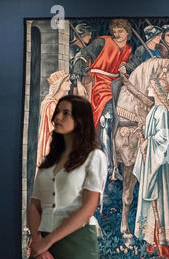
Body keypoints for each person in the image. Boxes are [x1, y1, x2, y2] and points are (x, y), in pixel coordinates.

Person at [23, 95, 107, 259]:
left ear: (80, 120)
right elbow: (35, 205)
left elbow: (88, 208)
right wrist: (38, 241)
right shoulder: (48, 162)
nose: (57, 117)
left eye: (65, 113)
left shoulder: (94, 157)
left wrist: (47, 241)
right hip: (43, 243)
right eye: (57, 112)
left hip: (76, 243)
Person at [72, 19, 133, 180]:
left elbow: (132, 69)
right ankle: (109, 166)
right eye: (115, 30)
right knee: (107, 119)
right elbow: (81, 57)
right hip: (98, 84)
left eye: (121, 31)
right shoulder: (101, 42)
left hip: (117, 85)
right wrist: (78, 81)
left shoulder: (128, 49)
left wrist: (125, 69)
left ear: (128, 33)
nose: (116, 33)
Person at [133, 76, 169, 259]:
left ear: (157, 91)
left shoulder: (162, 110)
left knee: (161, 200)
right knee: (153, 201)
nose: (149, 87)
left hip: (160, 166)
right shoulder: (154, 109)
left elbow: (163, 139)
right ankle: (154, 241)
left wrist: (149, 141)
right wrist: (144, 136)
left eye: (152, 86)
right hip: (152, 163)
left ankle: (165, 245)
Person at [36, 70, 71, 168]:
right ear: (59, 84)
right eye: (67, 80)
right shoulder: (51, 105)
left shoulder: (59, 103)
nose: (70, 83)